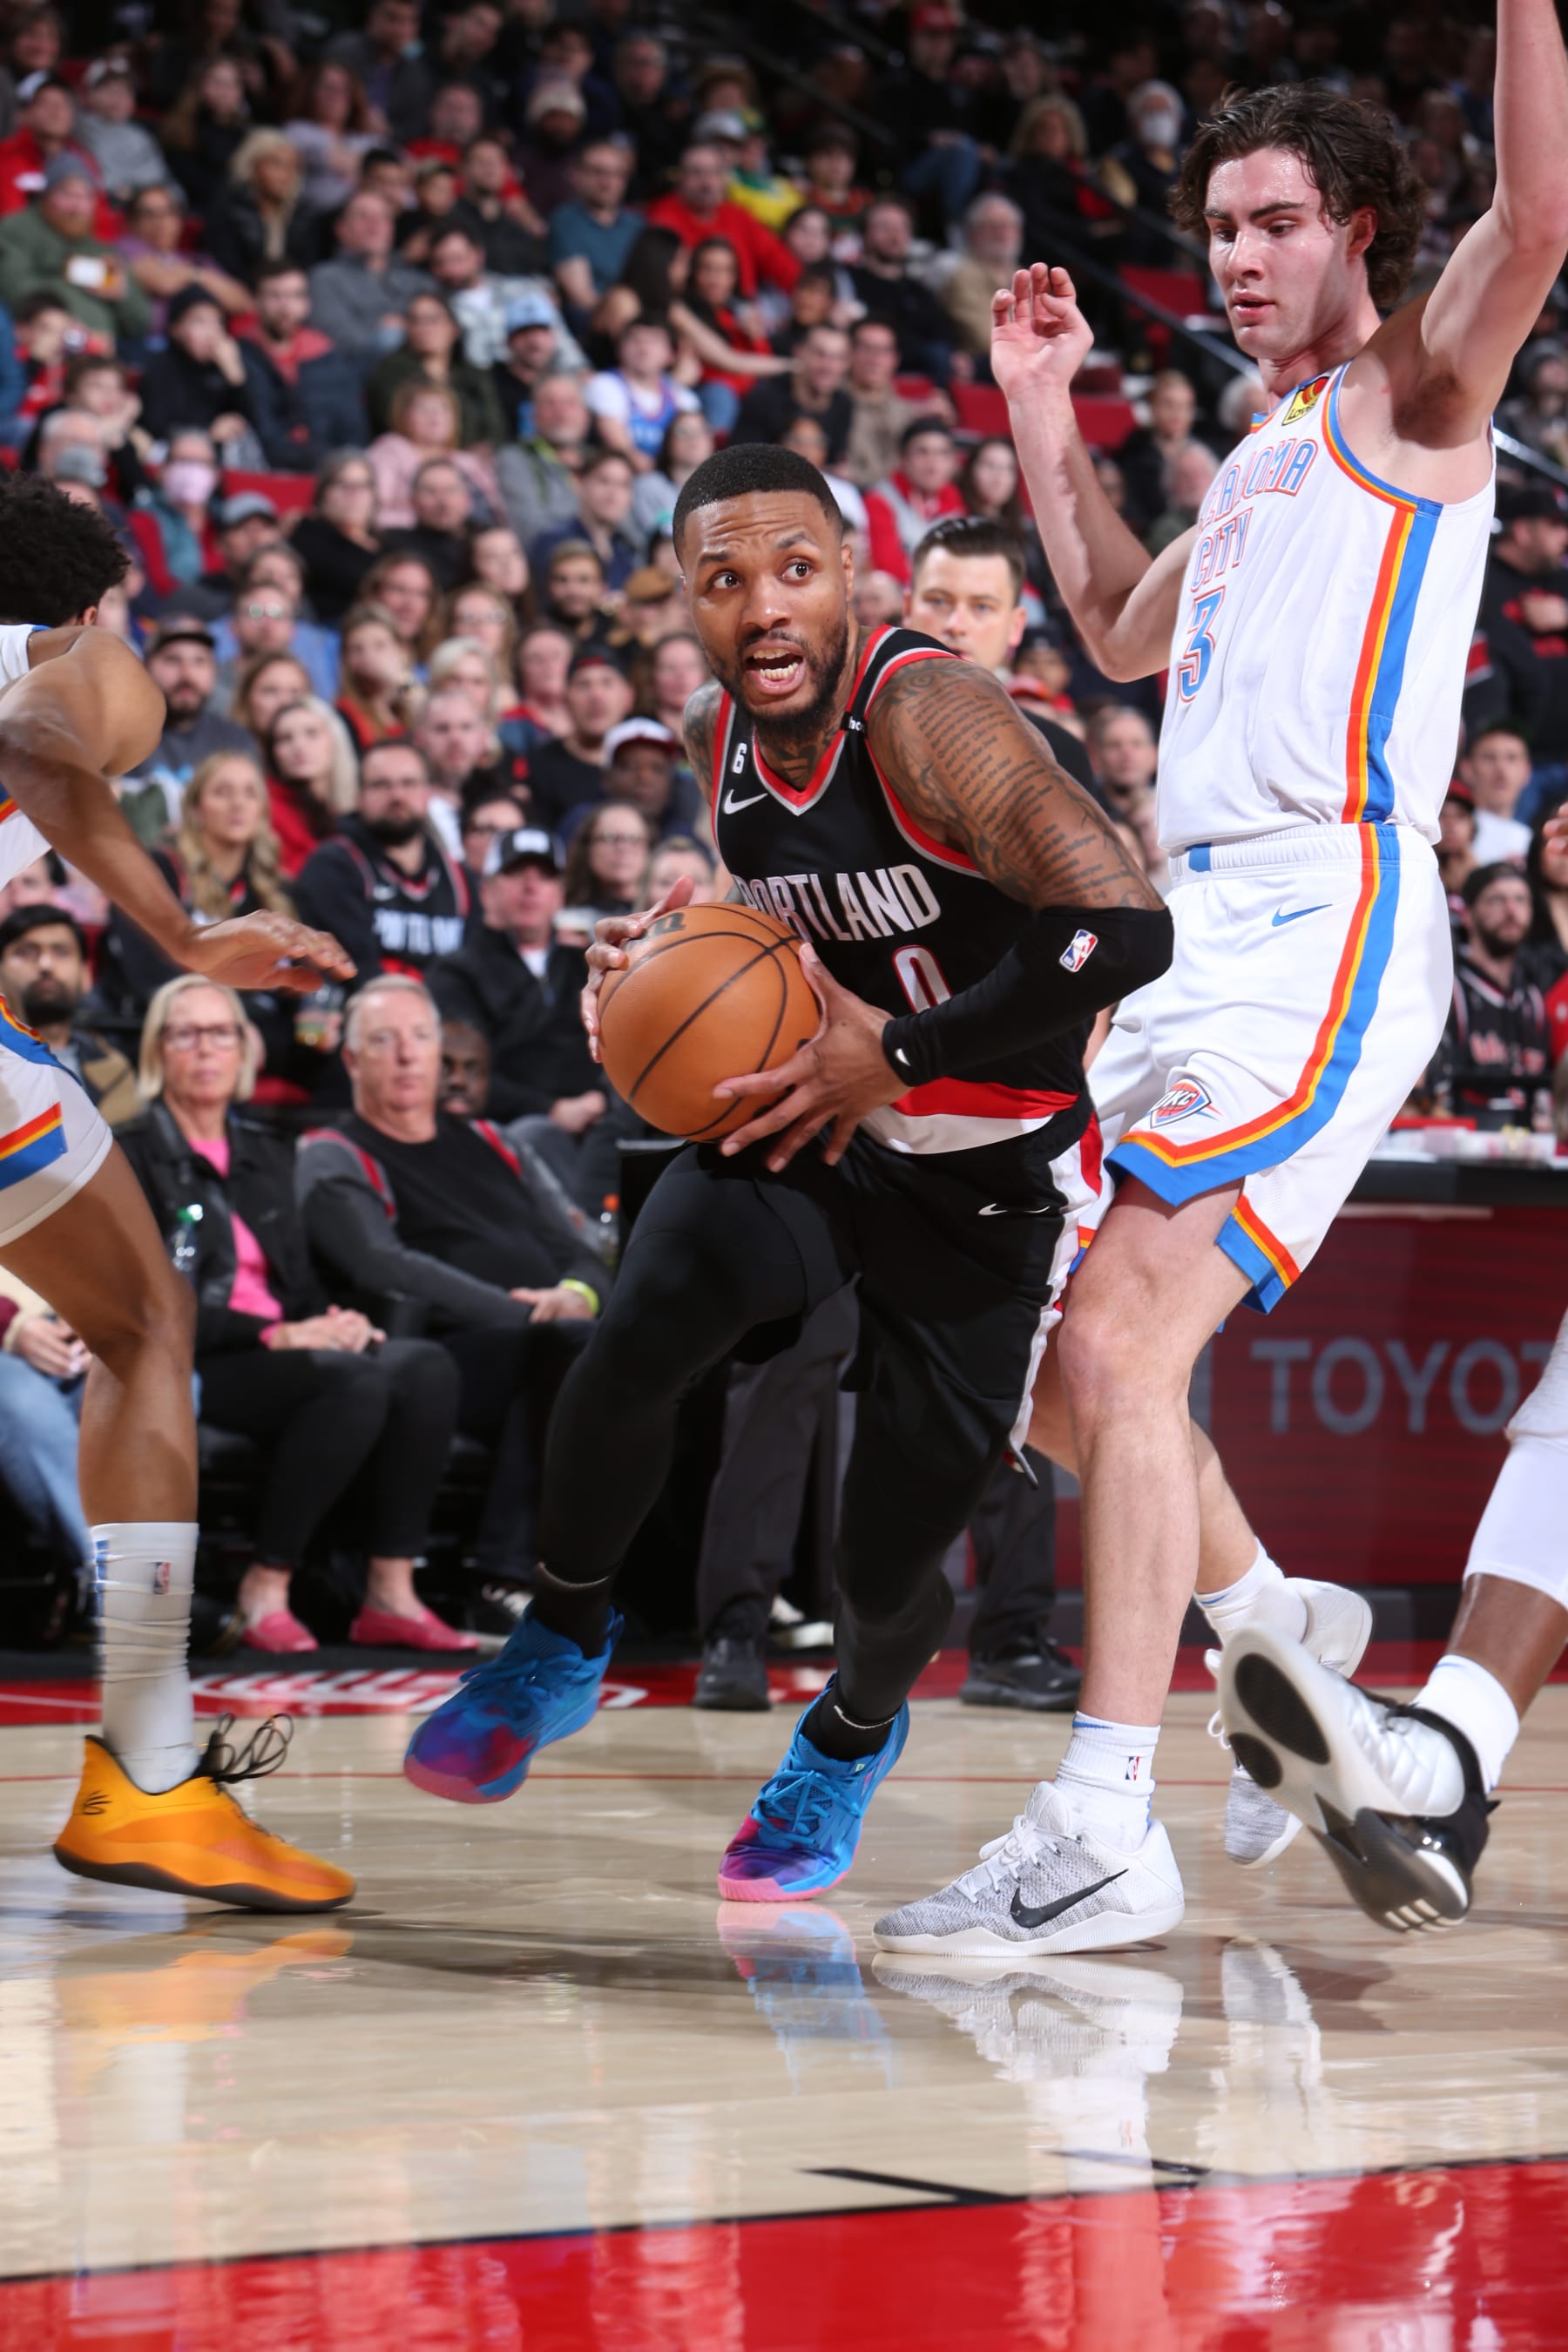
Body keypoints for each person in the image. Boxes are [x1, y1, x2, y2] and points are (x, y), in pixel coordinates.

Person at [883, 45, 1565, 1959]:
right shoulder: (1263, 452)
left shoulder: (1418, 396)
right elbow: (1108, 620)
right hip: (1202, 930)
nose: (1244, 258)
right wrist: (1039, 407)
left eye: (1277, 224)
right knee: (1043, 1364)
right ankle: (1284, 1638)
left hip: (1330, 912)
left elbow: (1540, 215)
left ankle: (1107, 1820)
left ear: (1356, 232)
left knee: (1117, 1336)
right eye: (1220, 231)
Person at [402, 444, 1168, 1893]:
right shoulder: (719, 731)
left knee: (890, 1565)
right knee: (641, 1324)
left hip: (988, 1162)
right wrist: (667, 963)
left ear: (853, 580)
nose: (763, 608)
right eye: (724, 580)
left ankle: (847, 1739)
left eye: (796, 572)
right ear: (681, 602)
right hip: (819, 1118)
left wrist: (901, 1052)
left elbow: (1122, 935)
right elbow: (791, 924)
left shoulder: (935, 713)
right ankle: (563, 1639)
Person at [0, 470, 356, 1909]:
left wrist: (191, 936)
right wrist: (95, 652)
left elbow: (50, 779)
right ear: (88, 603)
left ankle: (146, 1775)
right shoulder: (54, 657)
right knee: (147, 1327)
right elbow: (77, 722)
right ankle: (147, 1775)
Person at [121, 974, 473, 1657]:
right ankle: (266, 1586)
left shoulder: (266, 1151)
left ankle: (389, 1591)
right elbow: (148, 1301)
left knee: (423, 1366)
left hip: (282, 1346)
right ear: (157, 1051)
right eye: (185, 1033)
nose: (206, 1049)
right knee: (353, 1384)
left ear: (244, 1049)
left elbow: (297, 1281)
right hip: (196, 1358)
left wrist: (334, 1322)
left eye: (221, 1032)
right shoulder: (130, 1155)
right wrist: (274, 1333)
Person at [296, 974, 607, 1580]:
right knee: (571, 1350)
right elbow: (384, 1265)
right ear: (353, 1059)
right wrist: (527, 1314)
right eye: (386, 1040)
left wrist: (574, 1295)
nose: (410, 1054)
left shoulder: (497, 1141)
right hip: (441, 1356)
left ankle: (683, 1591)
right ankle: (508, 1574)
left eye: (421, 1036)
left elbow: (583, 1253)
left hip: (551, 1335)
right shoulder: (332, 1152)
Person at [903, 516, 1097, 793]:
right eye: (938, 601)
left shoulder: (1060, 756)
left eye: (982, 607)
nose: (956, 625)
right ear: (908, 610)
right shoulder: (845, 735)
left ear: (1015, 626)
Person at [428, 826, 604, 1129]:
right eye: (516, 872)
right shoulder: (456, 973)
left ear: (560, 894)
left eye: (545, 875)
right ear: (487, 891)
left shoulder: (586, 966)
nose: (531, 886)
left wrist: (602, 1098)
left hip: (598, 1118)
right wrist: (550, 1110)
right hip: (505, 1127)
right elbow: (458, 1073)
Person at [293, 738, 471, 990]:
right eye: (381, 785)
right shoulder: (333, 866)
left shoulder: (458, 878)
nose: (397, 795)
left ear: (428, 792)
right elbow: (355, 973)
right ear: (359, 796)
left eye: (408, 783)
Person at [1429, 862, 1551, 1125]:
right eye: (1497, 900)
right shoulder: (1450, 990)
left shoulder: (1532, 998)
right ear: (1468, 915)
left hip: (1526, 1146)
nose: (1511, 910)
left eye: (1520, 900)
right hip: (1462, 1146)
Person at [0, 902, 137, 1125]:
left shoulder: (116, 1070)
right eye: (26, 952)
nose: (46, 965)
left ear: (87, 974)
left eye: (61, 952)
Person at [126, 620, 257, 847]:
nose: (187, 674)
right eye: (172, 660)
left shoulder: (237, 741)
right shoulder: (120, 739)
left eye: (199, 661)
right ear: (146, 667)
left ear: (214, 673)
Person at [0, 152, 151, 345]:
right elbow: (14, 291)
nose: (77, 206)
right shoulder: (16, 230)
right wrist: (78, 334)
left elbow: (141, 323)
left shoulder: (100, 249)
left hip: (105, 355)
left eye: (86, 197)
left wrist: (121, 295)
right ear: (46, 196)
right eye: (68, 194)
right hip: (42, 347)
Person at [237, 263, 368, 475]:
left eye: (294, 296)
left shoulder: (327, 356)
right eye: (274, 296)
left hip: (325, 471)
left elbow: (351, 428)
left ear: (307, 303)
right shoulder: (239, 355)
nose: (285, 307)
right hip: (261, 469)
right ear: (256, 302)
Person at [367, 287, 506, 449]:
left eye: (433, 320)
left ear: (454, 329)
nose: (424, 328)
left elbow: (496, 426)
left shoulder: (475, 376)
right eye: (415, 321)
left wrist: (488, 447)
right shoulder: (390, 373)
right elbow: (395, 422)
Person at [308, 187, 434, 363]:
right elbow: (339, 339)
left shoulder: (420, 281)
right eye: (362, 216)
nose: (374, 224)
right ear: (341, 229)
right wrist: (390, 334)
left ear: (391, 228)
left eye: (382, 217)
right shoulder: (324, 278)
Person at [526, 645, 633, 831]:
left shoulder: (648, 764)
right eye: (583, 685)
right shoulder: (540, 765)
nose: (596, 696)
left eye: (607, 683)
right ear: (565, 698)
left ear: (628, 697)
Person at [585, 317, 699, 471]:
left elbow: (695, 451)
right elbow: (623, 451)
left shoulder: (685, 398)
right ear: (619, 349)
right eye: (635, 340)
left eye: (654, 341)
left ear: (671, 355)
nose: (644, 348)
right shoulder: (604, 384)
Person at [730, 323, 853, 466]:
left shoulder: (843, 404)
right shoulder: (763, 398)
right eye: (820, 354)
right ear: (799, 352)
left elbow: (836, 463)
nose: (828, 366)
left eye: (838, 358)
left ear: (847, 364)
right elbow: (738, 463)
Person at [864, 419, 968, 586]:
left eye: (942, 453)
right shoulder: (880, 499)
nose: (933, 462)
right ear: (903, 458)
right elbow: (888, 568)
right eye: (922, 452)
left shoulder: (954, 501)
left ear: (953, 463)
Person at [291, 454, 383, 626]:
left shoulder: (388, 544)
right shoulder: (307, 537)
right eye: (343, 484)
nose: (353, 494)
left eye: (363, 486)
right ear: (323, 495)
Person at [335, 601, 414, 752]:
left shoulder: (409, 704)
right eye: (357, 649)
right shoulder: (344, 713)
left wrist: (402, 681)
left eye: (380, 645)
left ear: (402, 651)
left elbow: (426, 714)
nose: (368, 656)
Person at [560, 800, 651, 919]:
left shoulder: (662, 915)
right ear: (588, 848)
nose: (623, 847)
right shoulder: (566, 920)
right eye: (610, 837)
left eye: (633, 838)